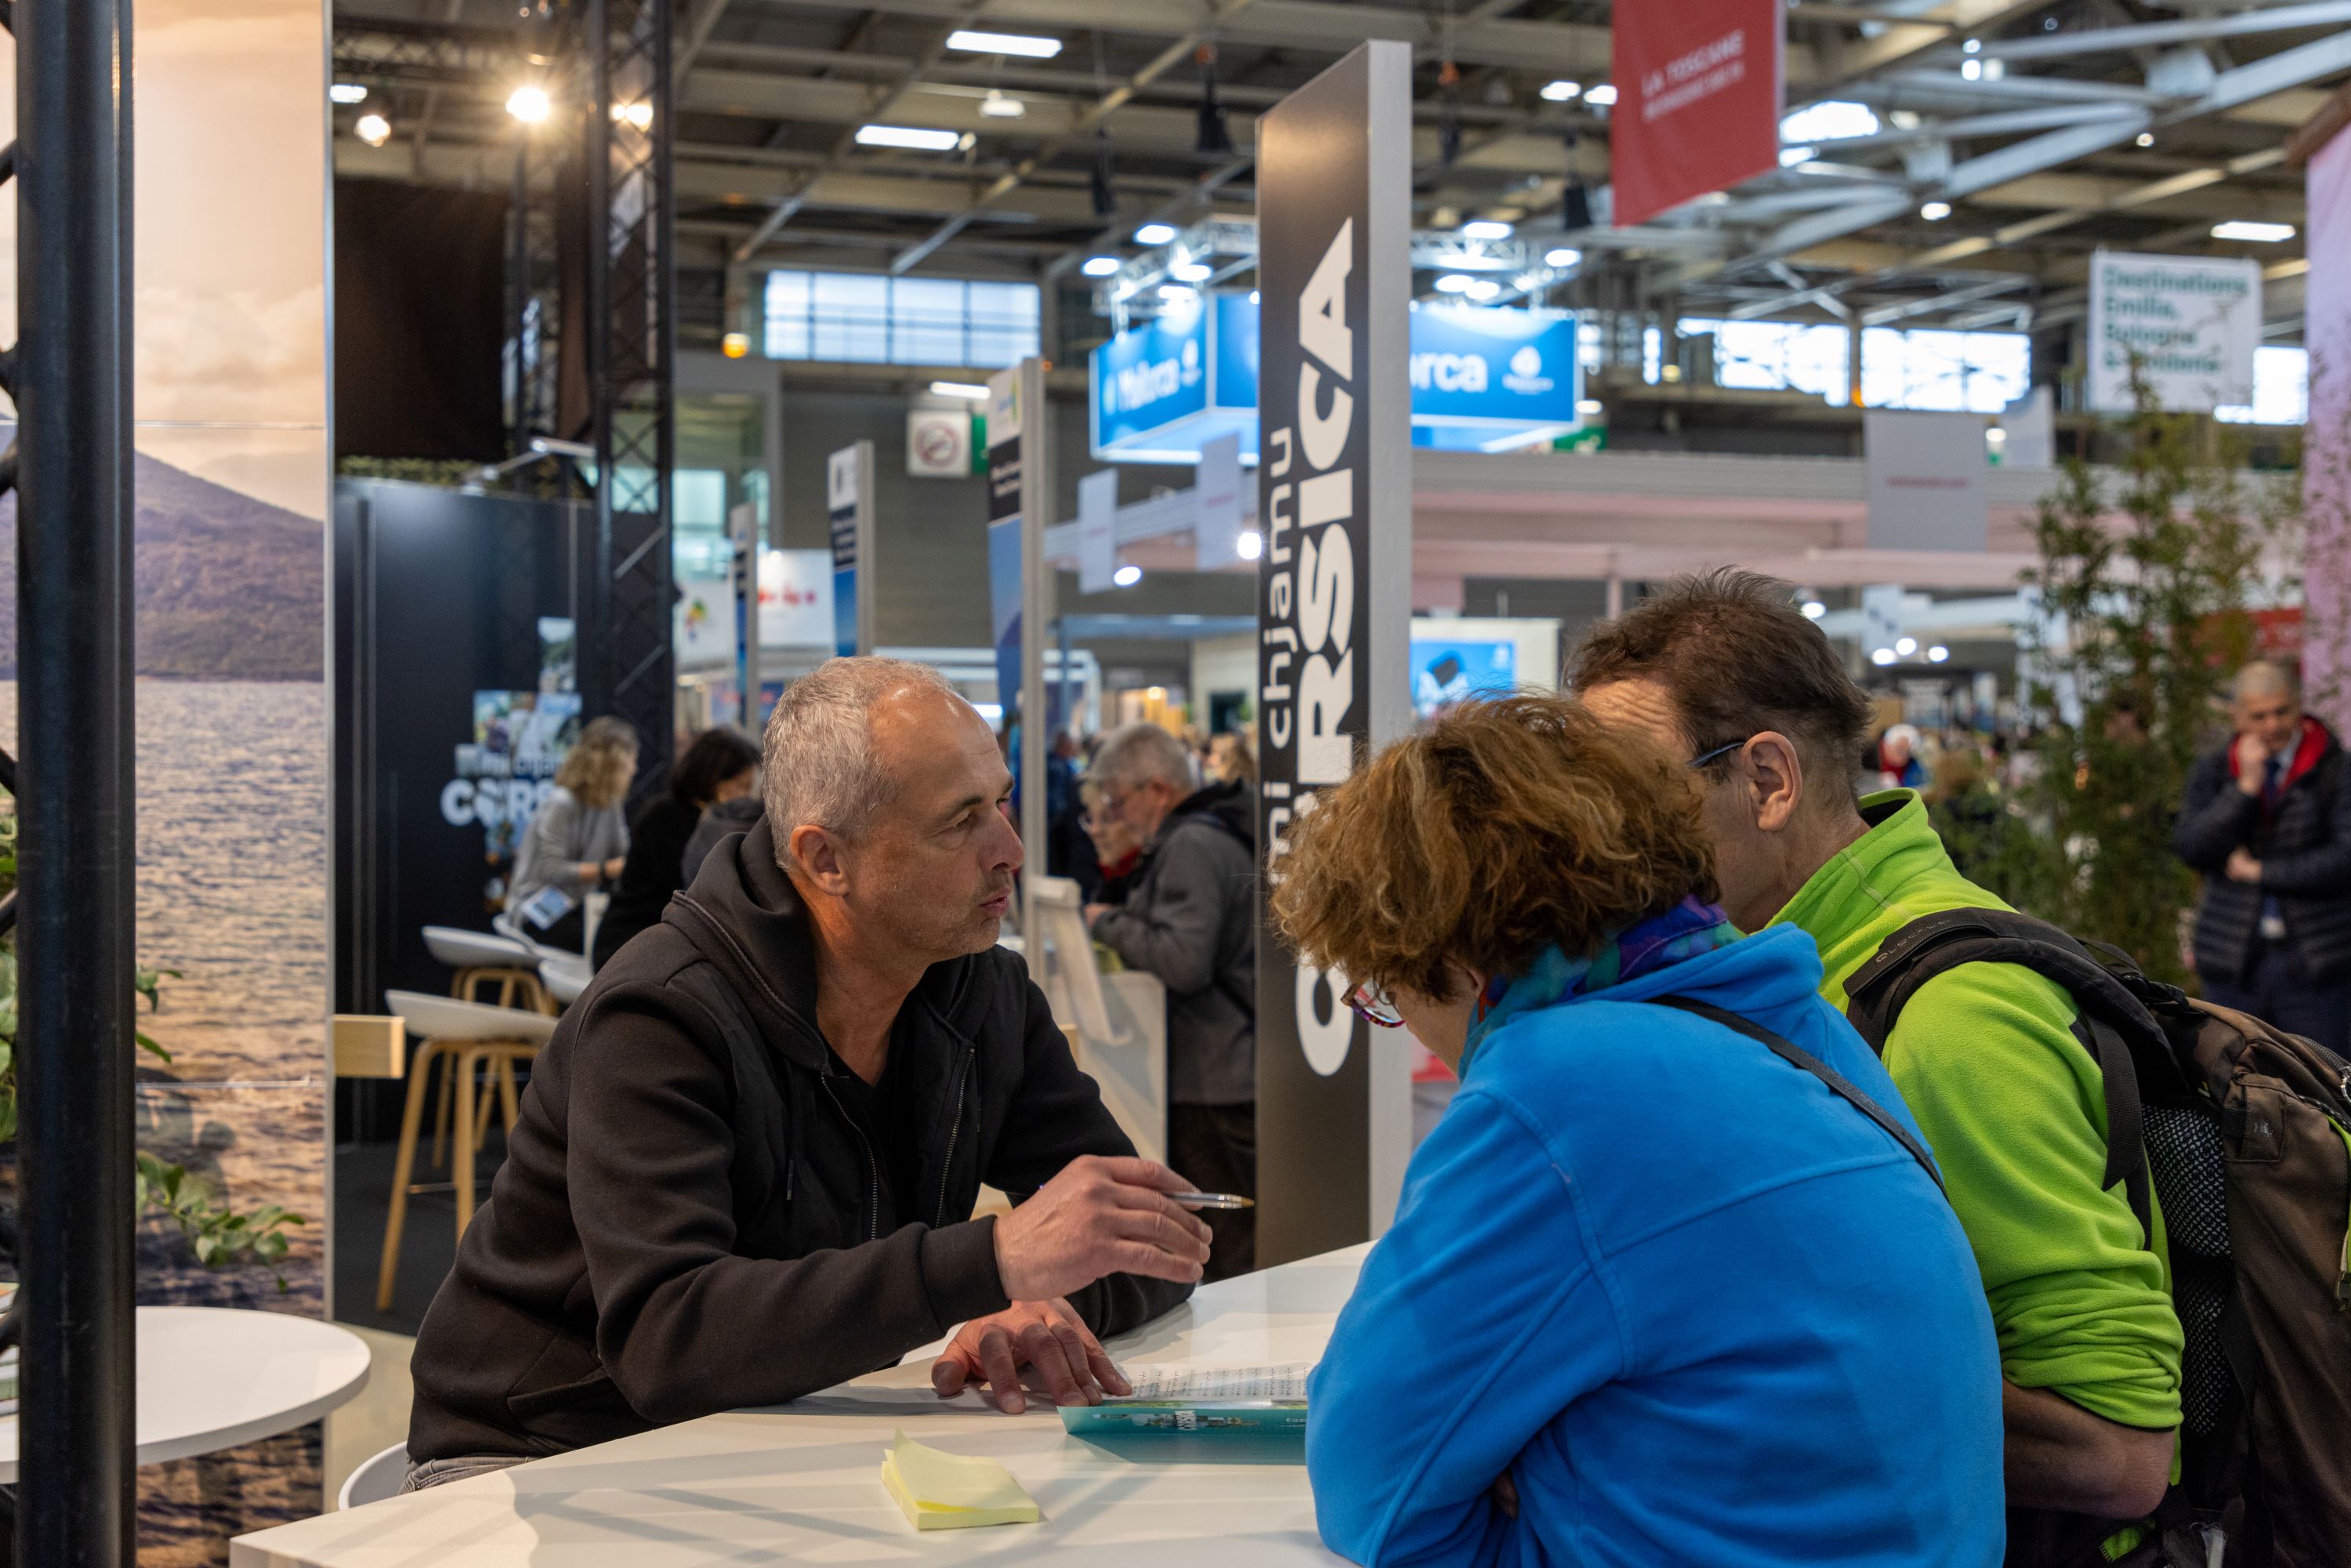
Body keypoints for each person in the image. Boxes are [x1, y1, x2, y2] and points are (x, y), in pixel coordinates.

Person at [404, 657, 1211, 1489]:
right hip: (542, 1459)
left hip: (788, 1432)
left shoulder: (982, 996)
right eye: (960, 821)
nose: (1009, 850)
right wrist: (993, 1261)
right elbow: (666, 1340)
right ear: (826, 858)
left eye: (1000, 802)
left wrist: (1041, 1304)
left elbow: (1159, 1241)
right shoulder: (660, 1015)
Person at [1279, 696, 2003, 1568]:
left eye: (1387, 996)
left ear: (1455, 963)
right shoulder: (1803, 1025)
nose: (1412, 1031)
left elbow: (1369, 1483)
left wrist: (1536, 1493)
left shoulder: (1558, 1087)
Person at [1573, 570, 2182, 1564]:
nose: (1601, 842)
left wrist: (1720, 1398)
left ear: (1768, 781)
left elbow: (2118, 1452)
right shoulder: (1795, 977)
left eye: (1632, 796)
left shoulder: (1952, 1016)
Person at [1083, 722, 1258, 1279]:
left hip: (1214, 1075)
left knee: (1223, 1244)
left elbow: (1184, 960)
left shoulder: (1190, 844)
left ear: (1157, 789)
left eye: (1119, 800)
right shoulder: (1208, 835)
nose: (1116, 815)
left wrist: (1106, 923)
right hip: (1222, 1066)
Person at [2173, 660, 2351, 1054]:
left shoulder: (2334, 768)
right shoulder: (2215, 770)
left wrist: (2260, 871)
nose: (2272, 725)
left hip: (2316, 963)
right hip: (2233, 960)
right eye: (2259, 716)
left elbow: (2344, 858)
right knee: (2236, 1077)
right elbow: (2191, 847)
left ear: (2299, 706)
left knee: (2322, 1077)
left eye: (2281, 711)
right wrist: (2245, 789)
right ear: (2237, 716)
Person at [591, 726, 759, 970]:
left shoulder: (706, 820)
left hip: (661, 944)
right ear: (715, 779)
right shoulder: (666, 817)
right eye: (741, 785)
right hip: (632, 947)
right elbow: (686, 889)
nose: (745, 796)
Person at [505, 715, 639, 953]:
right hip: (536, 909)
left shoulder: (611, 805)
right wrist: (605, 870)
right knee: (602, 943)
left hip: (577, 907)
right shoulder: (562, 803)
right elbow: (551, 870)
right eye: (630, 760)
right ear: (612, 763)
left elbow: (624, 854)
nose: (634, 769)